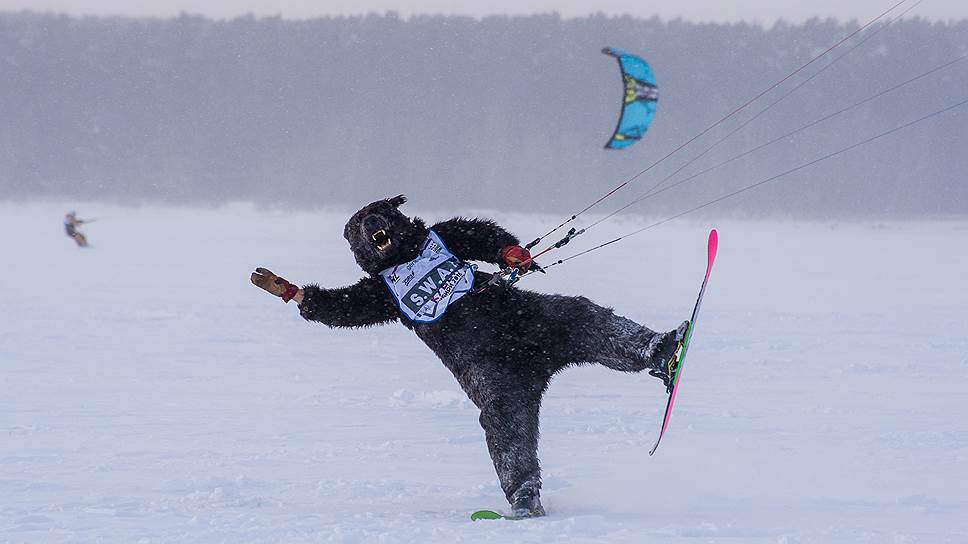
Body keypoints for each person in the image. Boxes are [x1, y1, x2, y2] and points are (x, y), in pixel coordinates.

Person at [250, 195, 687, 518]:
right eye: (371, 239)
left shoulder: (442, 239)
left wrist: (509, 252)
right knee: (502, 419)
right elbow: (342, 308)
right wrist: (294, 294)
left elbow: (485, 237)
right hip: (486, 365)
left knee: (578, 313)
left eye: (384, 229)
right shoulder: (383, 290)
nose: (381, 239)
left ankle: (655, 351)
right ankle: (523, 493)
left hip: (527, 320)